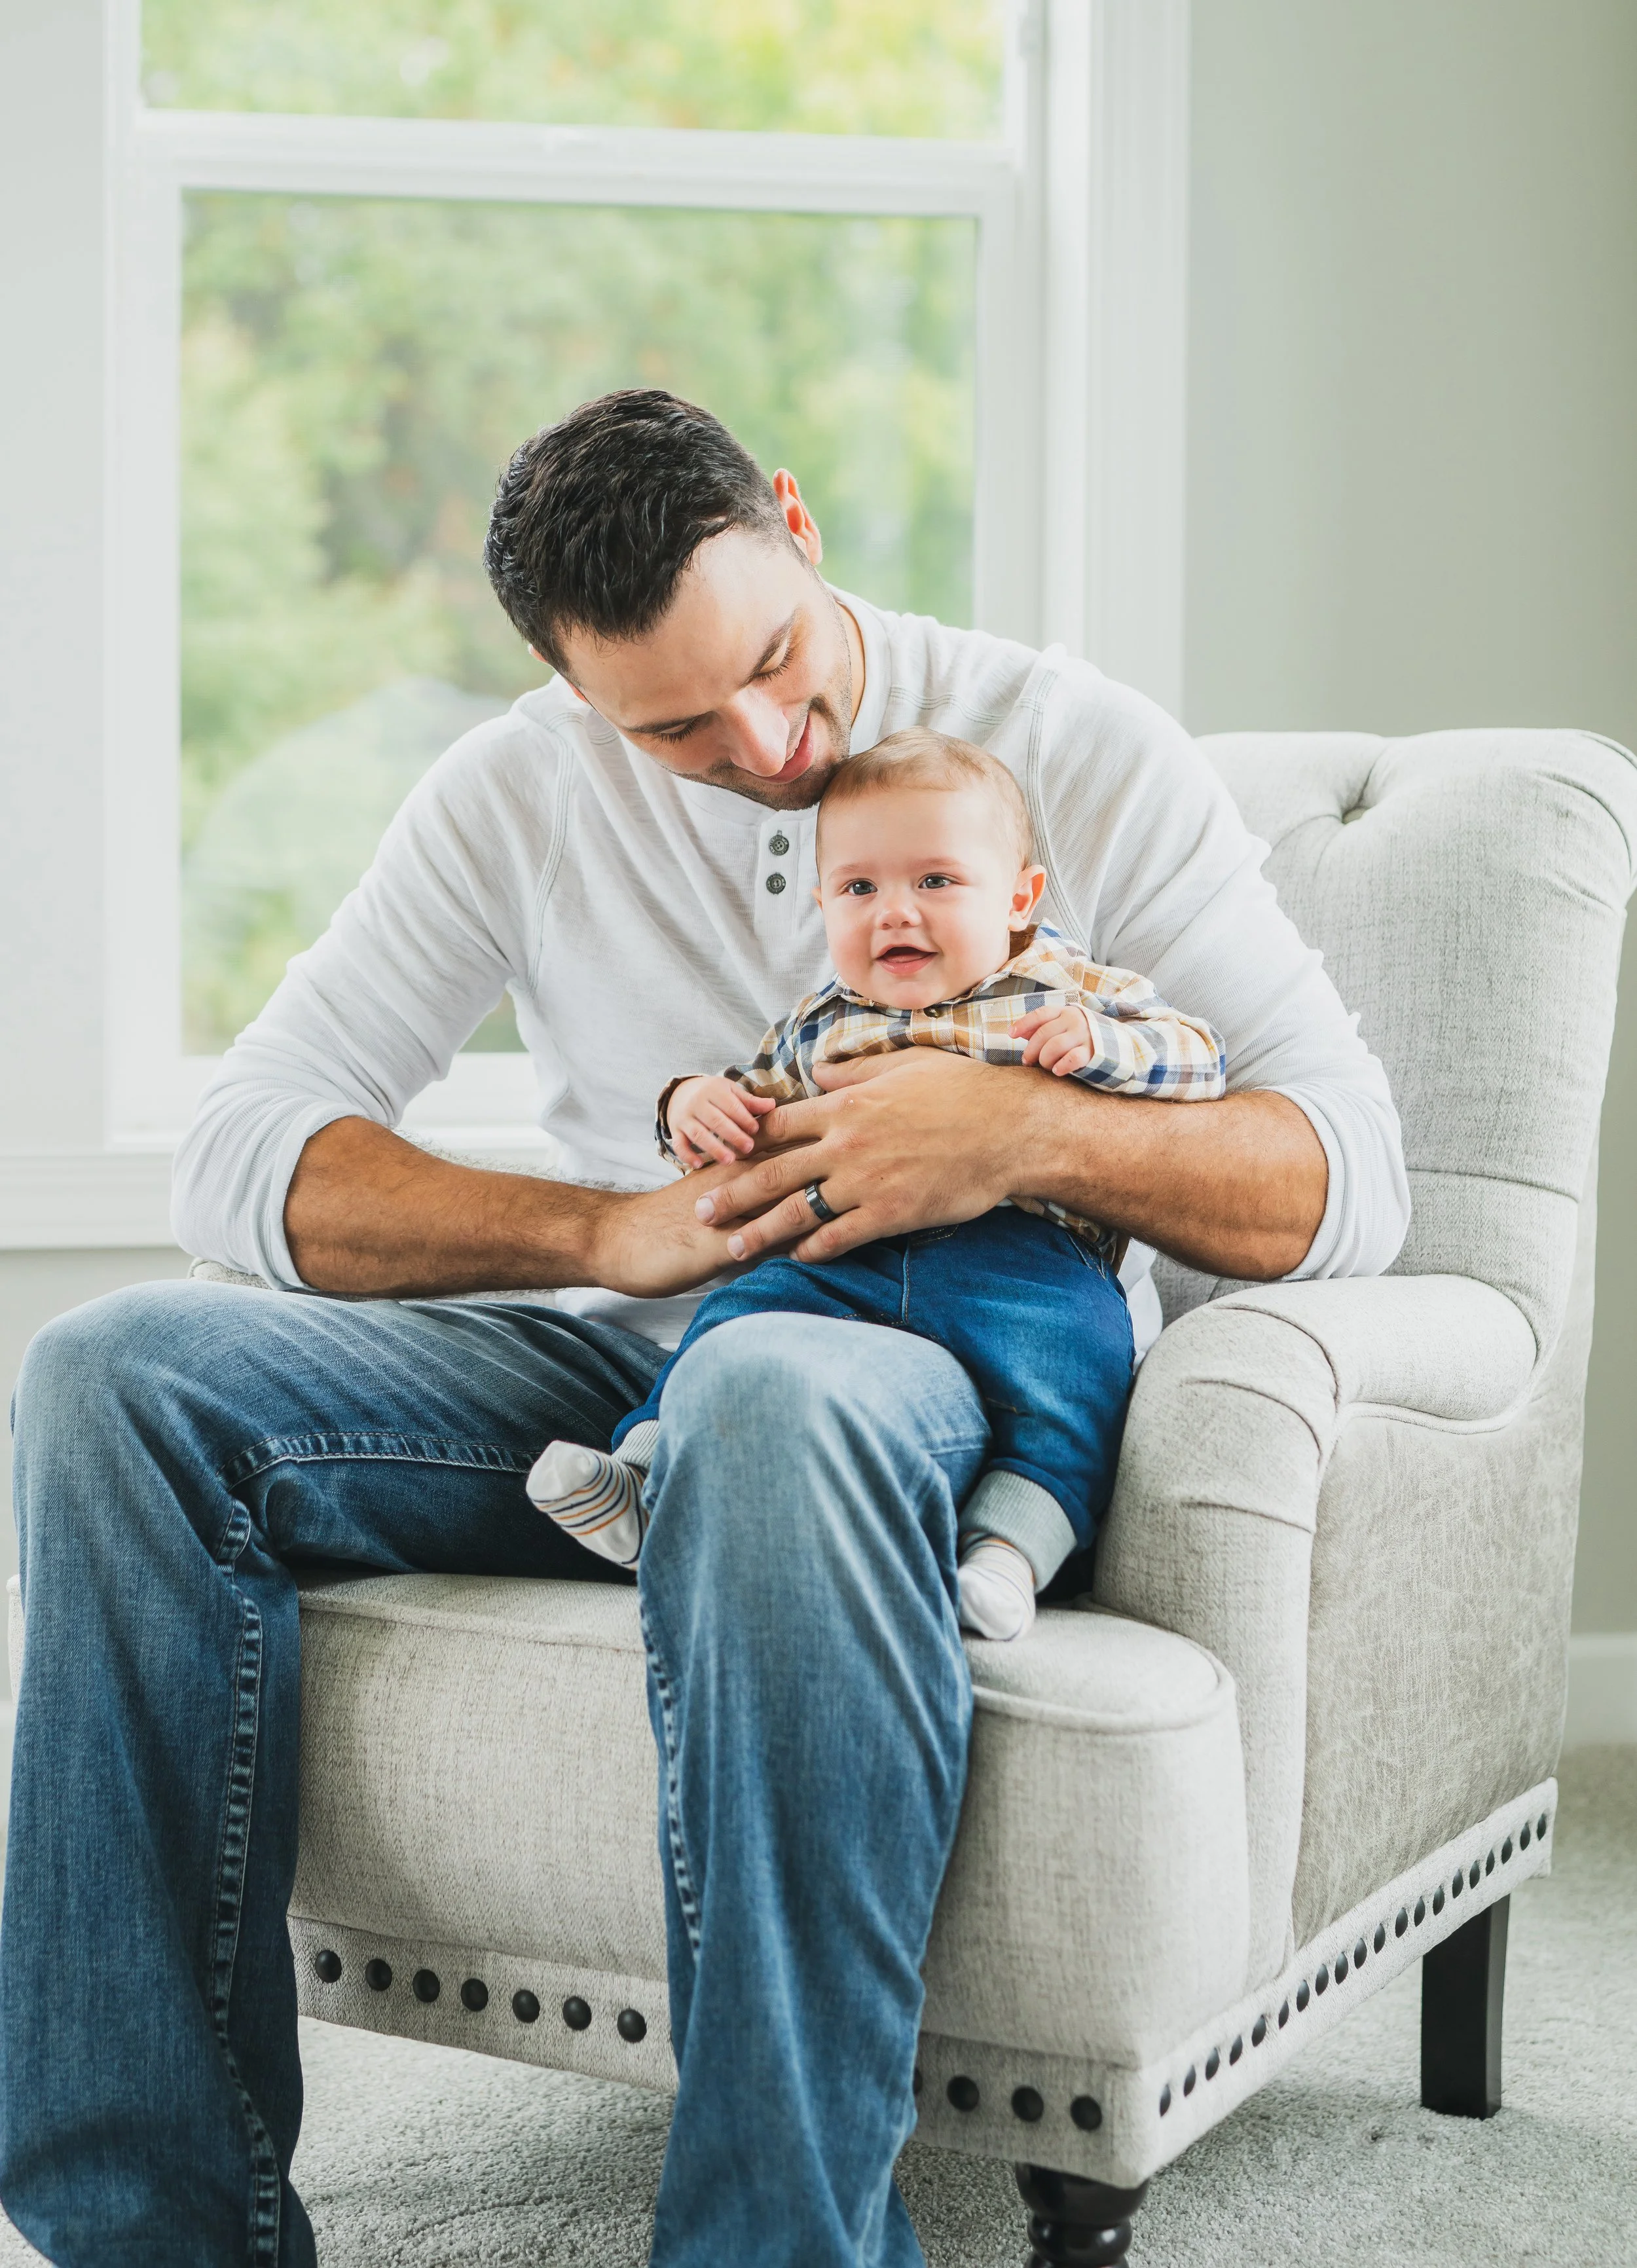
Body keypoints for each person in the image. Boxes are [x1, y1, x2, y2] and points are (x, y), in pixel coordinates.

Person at [2, 389, 1408, 2268]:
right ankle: (148, 2231)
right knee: (110, 1378)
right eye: (667, 724)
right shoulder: (513, 792)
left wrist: (1031, 1130)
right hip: (631, 1361)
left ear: (799, 524)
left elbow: (1352, 1176)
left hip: (939, 1379)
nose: (755, 745)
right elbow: (246, 1158)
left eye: (770, 665)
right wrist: (609, 1226)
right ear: (569, 690)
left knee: (760, 1386)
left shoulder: (1068, 748)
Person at [527, 725, 1227, 1643]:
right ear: (822, 904)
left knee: (1082, 1368)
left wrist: (1107, 1049)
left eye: (936, 881)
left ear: (1019, 900)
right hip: (843, 1255)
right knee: (740, 1314)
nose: (896, 912)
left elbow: (1203, 1058)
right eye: (860, 888)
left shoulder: (1063, 985)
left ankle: (1008, 1558)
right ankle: (646, 1474)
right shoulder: (822, 1021)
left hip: (1024, 1263)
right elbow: (746, 1116)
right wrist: (689, 1106)